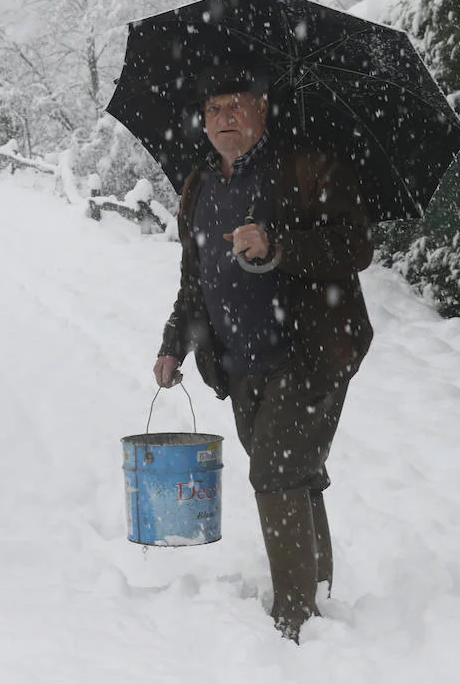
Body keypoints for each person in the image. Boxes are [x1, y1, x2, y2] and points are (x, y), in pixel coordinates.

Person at [152, 64, 374, 643]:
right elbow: (194, 277)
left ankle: (295, 618)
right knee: (293, 471)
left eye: (234, 106)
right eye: (212, 111)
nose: (223, 119)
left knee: (274, 471)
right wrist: (174, 344)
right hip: (237, 360)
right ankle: (319, 584)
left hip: (312, 351)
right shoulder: (199, 186)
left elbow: (355, 245)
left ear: (263, 109)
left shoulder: (307, 167)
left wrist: (279, 245)